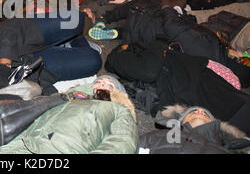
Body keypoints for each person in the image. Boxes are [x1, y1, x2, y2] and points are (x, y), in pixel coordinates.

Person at [0, 75, 138, 154]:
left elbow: (121, 144)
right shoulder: (66, 97)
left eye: (108, 84)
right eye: (100, 80)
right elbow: (23, 116)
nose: (101, 84)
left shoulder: (119, 110)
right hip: (27, 142)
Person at [105, 40, 250, 136]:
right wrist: (158, 45)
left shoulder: (139, 54)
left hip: (210, 90)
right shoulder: (120, 57)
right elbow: (147, 71)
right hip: (212, 99)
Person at [138, 105, 250, 154]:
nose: (200, 111)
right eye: (192, 112)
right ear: (181, 121)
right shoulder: (157, 136)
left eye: (206, 114)